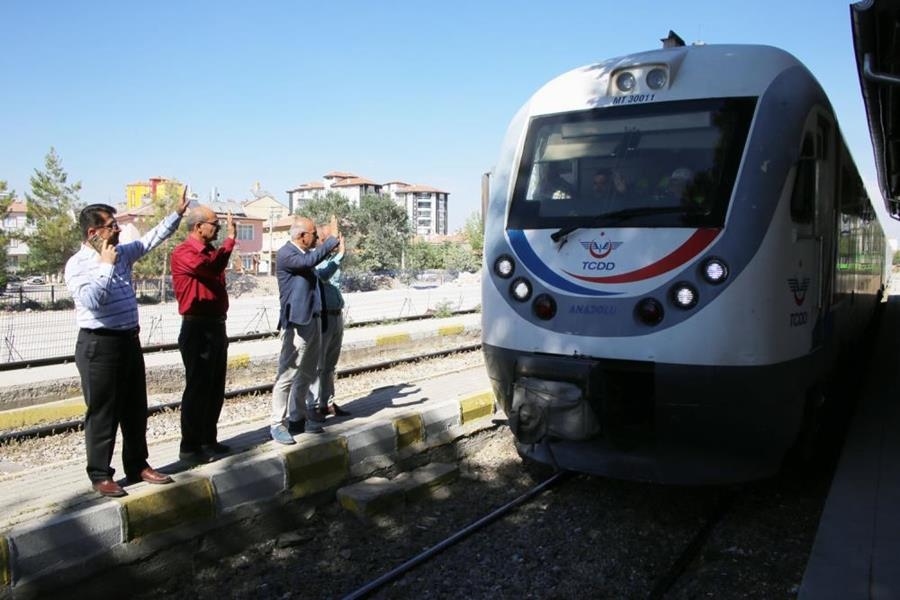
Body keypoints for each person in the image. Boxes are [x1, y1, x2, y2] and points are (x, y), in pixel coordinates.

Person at [64, 189, 189, 497]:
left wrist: (176, 214)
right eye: (111, 225)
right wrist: (106, 265)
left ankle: (137, 465)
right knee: (103, 412)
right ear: (93, 233)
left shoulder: (122, 253)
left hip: (128, 341)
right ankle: (100, 474)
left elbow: (150, 240)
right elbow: (92, 301)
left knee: (135, 408)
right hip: (99, 346)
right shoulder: (78, 265)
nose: (118, 229)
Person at [170, 206, 236, 464]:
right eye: (215, 224)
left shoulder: (211, 252)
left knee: (215, 386)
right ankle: (189, 446)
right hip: (197, 327)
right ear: (198, 226)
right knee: (197, 387)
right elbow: (209, 268)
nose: (218, 229)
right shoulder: (184, 252)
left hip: (216, 325)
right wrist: (230, 240)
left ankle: (209, 439)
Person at [269, 216, 340, 445]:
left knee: (307, 373)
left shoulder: (304, 255)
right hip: (297, 323)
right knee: (287, 374)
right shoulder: (287, 253)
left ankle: (297, 419)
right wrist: (331, 241)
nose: (316, 239)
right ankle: (277, 423)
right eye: (314, 235)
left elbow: (315, 265)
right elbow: (308, 262)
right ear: (302, 235)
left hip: (313, 319)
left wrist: (333, 251)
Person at [309, 221, 350, 420]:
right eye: (329, 239)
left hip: (336, 315)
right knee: (319, 364)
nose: (334, 243)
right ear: (321, 241)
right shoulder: (314, 260)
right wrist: (340, 254)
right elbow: (324, 276)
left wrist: (339, 253)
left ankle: (327, 402)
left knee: (330, 365)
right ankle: (315, 405)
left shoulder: (333, 258)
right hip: (323, 317)